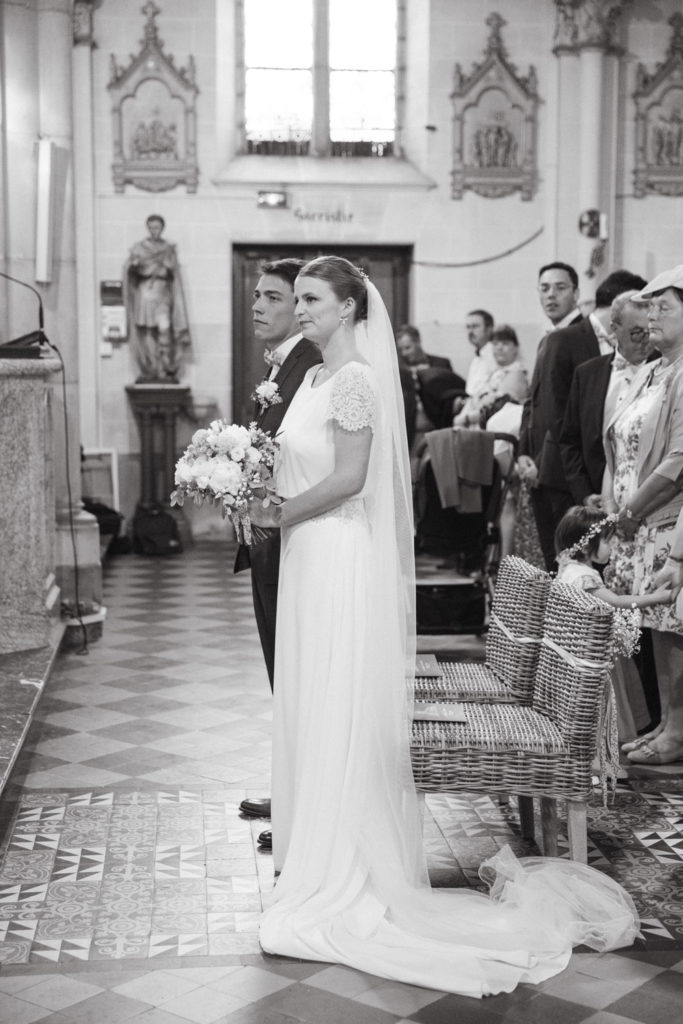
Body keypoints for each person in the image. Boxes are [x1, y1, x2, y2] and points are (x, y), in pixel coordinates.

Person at [248, 255, 638, 997]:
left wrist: (277, 513)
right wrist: (248, 483)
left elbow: (349, 479)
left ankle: (340, 867)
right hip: (304, 552)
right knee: (308, 698)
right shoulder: (307, 379)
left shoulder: (358, 379)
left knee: (335, 698)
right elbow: (296, 460)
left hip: (333, 552)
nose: (299, 309)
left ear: (348, 309)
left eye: (310, 298)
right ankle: (311, 855)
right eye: (294, 298)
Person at [235, 259, 322, 840]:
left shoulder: (312, 364)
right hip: (269, 540)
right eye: (257, 295)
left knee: (298, 675)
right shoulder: (282, 364)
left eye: (272, 296)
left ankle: (306, 806)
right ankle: (293, 792)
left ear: (301, 304)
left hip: (295, 542)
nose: (258, 306)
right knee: (281, 673)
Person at [602, 265, 683, 765]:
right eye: (649, 306)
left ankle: (677, 730)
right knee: (656, 622)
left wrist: (630, 509)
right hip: (637, 519)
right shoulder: (653, 369)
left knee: (674, 623)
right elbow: (617, 441)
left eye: (663, 307)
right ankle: (665, 724)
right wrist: (615, 506)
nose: (651, 315)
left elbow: (678, 456)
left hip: (665, 517)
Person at [519, 266, 645, 570]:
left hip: (614, 482)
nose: (551, 295)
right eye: (545, 287)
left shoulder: (648, 367)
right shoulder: (568, 344)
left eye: (560, 287)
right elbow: (548, 409)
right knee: (571, 567)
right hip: (568, 475)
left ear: (577, 293)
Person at [560, 286, 650, 509]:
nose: (645, 341)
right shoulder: (587, 373)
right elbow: (570, 441)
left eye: (650, 331)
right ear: (614, 329)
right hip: (595, 496)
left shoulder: (667, 372)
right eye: (637, 332)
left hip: (646, 497)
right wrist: (584, 494)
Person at [123, 214, 192, 382]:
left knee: (164, 329)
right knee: (147, 330)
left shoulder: (168, 248)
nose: (155, 230)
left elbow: (174, 273)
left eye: (158, 227)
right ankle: (150, 367)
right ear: (148, 228)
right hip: (145, 292)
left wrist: (169, 266)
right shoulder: (139, 248)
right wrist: (134, 266)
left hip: (162, 292)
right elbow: (130, 271)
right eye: (152, 227)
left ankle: (165, 366)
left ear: (162, 228)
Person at [453, 324, 528, 427]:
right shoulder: (495, 373)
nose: (499, 348)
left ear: (516, 347)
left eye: (505, 343)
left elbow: (501, 410)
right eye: (495, 343)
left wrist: (466, 418)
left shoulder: (516, 374)